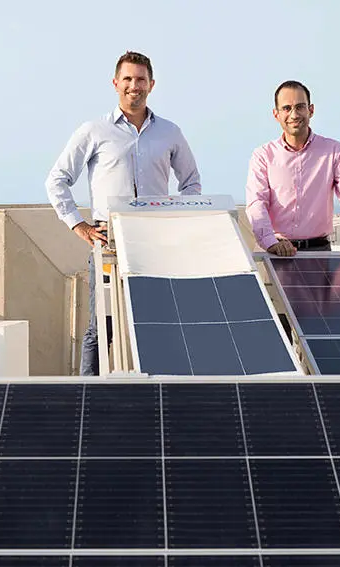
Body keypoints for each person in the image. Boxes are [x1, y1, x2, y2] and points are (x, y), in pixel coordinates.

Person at [45, 51, 201, 376]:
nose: (134, 86)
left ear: (152, 85)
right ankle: (88, 400)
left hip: (155, 243)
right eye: (128, 79)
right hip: (108, 244)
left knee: (158, 324)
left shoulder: (170, 132)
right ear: (115, 83)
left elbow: (191, 182)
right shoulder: (93, 130)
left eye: (141, 79)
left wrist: (177, 222)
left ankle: (160, 394)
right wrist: (79, 226)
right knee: (101, 329)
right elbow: (57, 180)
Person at [245, 80, 340, 259]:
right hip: (275, 252)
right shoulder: (263, 156)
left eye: (300, 107)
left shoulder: (334, 151)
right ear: (276, 114)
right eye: (286, 108)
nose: (294, 114)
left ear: (311, 110)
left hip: (319, 254)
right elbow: (256, 203)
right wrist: (271, 242)